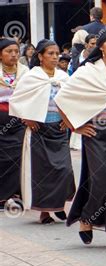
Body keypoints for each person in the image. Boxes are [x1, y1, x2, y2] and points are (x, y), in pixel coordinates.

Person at [55, 28, 106, 248]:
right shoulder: (87, 71)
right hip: (97, 134)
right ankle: (90, 217)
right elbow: (62, 98)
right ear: (101, 47)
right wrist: (75, 127)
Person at [9, 39, 75, 224]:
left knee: (64, 170)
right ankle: (45, 212)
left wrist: (68, 119)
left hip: (59, 130)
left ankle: (59, 204)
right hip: (39, 129)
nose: (55, 57)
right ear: (40, 56)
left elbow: (74, 99)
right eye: (50, 54)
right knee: (42, 172)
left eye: (57, 54)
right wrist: (26, 117)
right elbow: (17, 100)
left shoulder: (63, 77)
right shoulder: (31, 78)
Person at [0, 39, 29, 208]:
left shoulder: (26, 73)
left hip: (19, 118)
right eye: (9, 51)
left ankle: (15, 193)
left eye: (16, 52)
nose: (13, 55)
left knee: (18, 156)